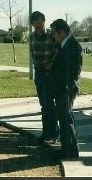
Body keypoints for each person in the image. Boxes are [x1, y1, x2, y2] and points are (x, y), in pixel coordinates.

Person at [50, 19, 82, 159]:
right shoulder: (65, 45)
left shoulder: (73, 46)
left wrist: (67, 88)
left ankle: (69, 151)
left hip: (66, 89)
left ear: (61, 32)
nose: (53, 36)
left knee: (66, 120)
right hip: (62, 89)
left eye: (54, 33)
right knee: (64, 119)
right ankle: (68, 149)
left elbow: (75, 71)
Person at [29, 11, 59, 145]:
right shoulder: (31, 37)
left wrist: (51, 65)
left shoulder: (52, 35)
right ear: (33, 24)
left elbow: (58, 53)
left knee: (49, 104)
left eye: (40, 22)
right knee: (43, 105)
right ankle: (46, 132)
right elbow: (32, 54)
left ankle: (54, 133)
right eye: (35, 23)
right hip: (39, 74)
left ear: (44, 21)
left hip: (50, 74)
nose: (38, 25)